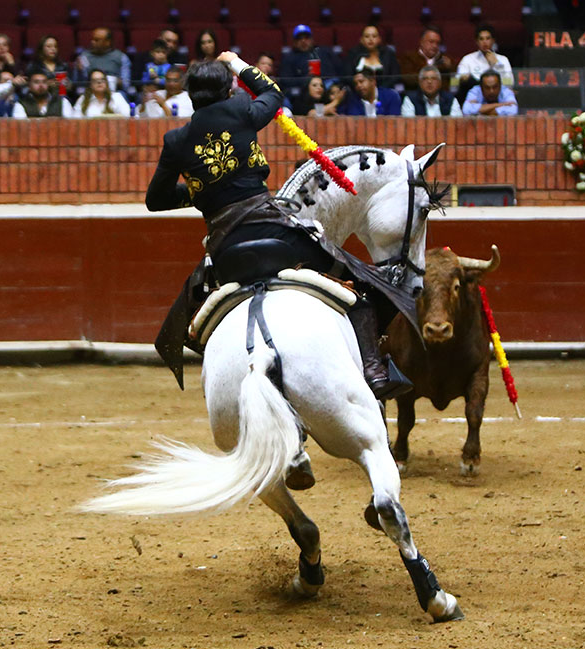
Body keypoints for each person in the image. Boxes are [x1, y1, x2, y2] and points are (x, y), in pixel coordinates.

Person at [147, 52, 411, 399]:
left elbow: (156, 199)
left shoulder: (176, 141)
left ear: (190, 95)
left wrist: (203, 192)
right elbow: (272, 94)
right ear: (228, 90)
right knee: (362, 289)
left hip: (225, 253)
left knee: (201, 319)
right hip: (276, 235)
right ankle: (374, 371)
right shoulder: (242, 109)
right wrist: (239, 64)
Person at [279, 24, 341, 99]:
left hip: (328, 86)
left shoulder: (324, 52)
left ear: (312, 39)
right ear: (294, 42)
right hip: (303, 91)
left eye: (306, 38)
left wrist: (335, 84)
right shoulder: (289, 58)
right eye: (299, 39)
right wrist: (305, 80)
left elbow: (340, 70)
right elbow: (285, 80)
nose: (303, 41)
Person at [341, 24, 401, 90]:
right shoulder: (353, 53)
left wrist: (380, 90)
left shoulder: (388, 53)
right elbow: (347, 76)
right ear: (361, 40)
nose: (370, 39)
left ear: (379, 39)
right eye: (367, 36)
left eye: (374, 36)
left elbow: (395, 76)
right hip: (359, 91)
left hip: (385, 90)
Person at [456, 24, 514, 91]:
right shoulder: (467, 59)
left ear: (493, 40)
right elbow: (457, 81)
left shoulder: (503, 59)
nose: (484, 42)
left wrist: (497, 64)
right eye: (481, 39)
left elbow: (510, 84)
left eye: (488, 38)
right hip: (475, 95)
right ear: (477, 42)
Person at [398, 25, 454, 92]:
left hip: (441, 97)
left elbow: (455, 82)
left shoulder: (446, 60)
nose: (435, 46)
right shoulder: (409, 58)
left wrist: (451, 69)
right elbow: (408, 80)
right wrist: (433, 68)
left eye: (437, 43)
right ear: (421, 42)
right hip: (416, 95)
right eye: (431, 42)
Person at [75, 27, 131, 92]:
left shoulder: (121, 57)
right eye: (92, 39)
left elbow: (126, 84)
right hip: (91, 92)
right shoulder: (84, 57)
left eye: (96, 40)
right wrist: (80, 72)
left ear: (107, 42)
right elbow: (79, 84)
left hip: (114, 92)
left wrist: (113, 81)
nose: (92, 42)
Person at [338, 66, 402, 116]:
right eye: (356, 84)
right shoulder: (352, 100)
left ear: (373, 81)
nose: (359, 86)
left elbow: (394, 123)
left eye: (361, 81)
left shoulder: (390, 96)